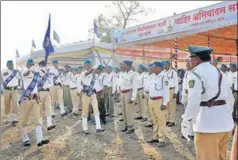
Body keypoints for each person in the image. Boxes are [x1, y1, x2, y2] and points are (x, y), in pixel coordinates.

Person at [181, 45, 234, 160]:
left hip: (206, 125)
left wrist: (186, 119)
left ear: (197, 59)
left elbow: (194, 102)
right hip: (225, 124)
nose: (189, 60)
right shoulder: (220, 73)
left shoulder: (195, 74)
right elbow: (230, 99)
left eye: (191, 58)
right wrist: (224, 113)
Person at [20, 59, 49, 147]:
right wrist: (30, 69)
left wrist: (43, 69)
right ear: (27, 65)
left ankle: (40, 140)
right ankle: (25, 139)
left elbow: (43, 75)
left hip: (35, 99)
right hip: (26, 99)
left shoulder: (36, 74)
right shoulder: (24, 72)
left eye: (32, 64)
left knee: (37, 119)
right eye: (30, 64)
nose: (31, 65)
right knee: (25, 119)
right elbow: (25, 74)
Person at [146, 61, 169, 147]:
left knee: (161, 120)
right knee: (154, 120)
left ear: (160, 68)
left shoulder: (164, 77)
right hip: (151, 100)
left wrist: (165, 103)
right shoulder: (152, 77)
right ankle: (155, 137)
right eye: (153, 67)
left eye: (155, 67)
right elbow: (149, 89)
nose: (153, 68)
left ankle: (162, 139)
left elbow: (166, 91)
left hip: (159, 101)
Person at [79, 60, 104, 134]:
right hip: (86, 94)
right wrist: (94, 67)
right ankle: (85, 128)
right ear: (85, 66)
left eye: (89, 65)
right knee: (85, 111)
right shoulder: (83, 73)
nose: (88, 66)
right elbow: (88, 72)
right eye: (87, 65)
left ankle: (98, 127)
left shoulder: (94, 74)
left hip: (93, 94)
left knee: (96, 110)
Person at [120, 60, 138, 134]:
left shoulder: (133, 74)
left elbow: (135, 87)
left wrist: (133, 98)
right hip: (122, 93)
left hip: (128, 93)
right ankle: (126, 125)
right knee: (123, 110)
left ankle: (131, 127)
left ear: (128, 66)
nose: (122, 66)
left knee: (129, 111)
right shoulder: (124, 74)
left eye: (123, 65)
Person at [37, 60, 55, 131]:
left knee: (49, 108)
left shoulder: (48, 74)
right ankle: (40, 124)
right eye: (42, 65)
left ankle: (49, 124)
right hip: (40, 92)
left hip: (47, 91)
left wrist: (47, 85)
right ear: (40, 66)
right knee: (40, 109)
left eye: (45, 65)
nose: (44, 66)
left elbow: (52, 83)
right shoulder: (38, 73)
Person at [2, 60, 20, 125]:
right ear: (7, 65)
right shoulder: (4, 71)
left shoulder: (16, 71)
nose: (11, 65)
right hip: (7, 90)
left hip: (15, 89)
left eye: (12, 64)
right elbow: (5, 74)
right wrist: (11, 71)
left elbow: (18, 78)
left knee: (15, 104)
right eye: (9, 64)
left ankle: (14, 118)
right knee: (7, 104)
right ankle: (7, 119)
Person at [181, 56, 194, 139]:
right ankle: (187, 131)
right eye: (186, 63)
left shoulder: (194, 73)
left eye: (189, 62)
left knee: (192, 115)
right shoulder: (186, 73)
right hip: (186, 96)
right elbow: (184, 86)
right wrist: (183, 98)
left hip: (191, 97)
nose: (187, 64)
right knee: (186, 114)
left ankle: (191, 132)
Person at [163, 60, 178, 127]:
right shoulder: (163, 73)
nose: (165, 66)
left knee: (172, 106)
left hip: (171, 89)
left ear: (169, 65)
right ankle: (167, 119)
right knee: (166, 105)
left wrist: (175, 92)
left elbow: (176, 82)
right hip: (165, 91)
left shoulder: (173, 72)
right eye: (164, 65)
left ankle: (172, 121)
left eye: (166, 64)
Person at [143, 64, 154, 128]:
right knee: (147, 108)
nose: (149, 69)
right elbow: (145, 85)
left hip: (151, 94)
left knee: (152, 109)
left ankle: (153, 122)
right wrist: (144, 93)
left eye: (150, 68)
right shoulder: (146, 75)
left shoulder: (154, 76)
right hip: (146, 93)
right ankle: (149, 121)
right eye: (148, 68)